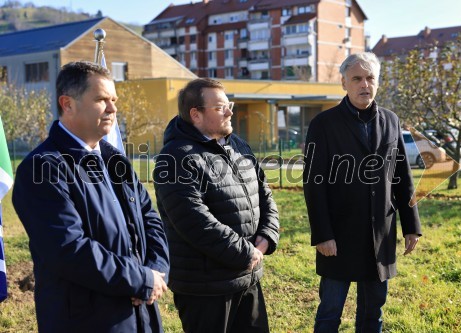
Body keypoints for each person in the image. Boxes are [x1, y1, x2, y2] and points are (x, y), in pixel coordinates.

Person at [12, 61, 170, 333]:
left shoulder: (114, 159)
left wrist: (154, 272)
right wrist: (139, 279)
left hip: (141, 313)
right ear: (68, 104)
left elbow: (150, 218)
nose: (113, 109)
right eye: (101, 100)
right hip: (86, 320)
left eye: (113, 100)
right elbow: (68, 248)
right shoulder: (42, 168)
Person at [303, 52, 422, 333]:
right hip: (338, 235)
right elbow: (313, 183)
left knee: (373, 312)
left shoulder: (392, 121)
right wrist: (322, 234)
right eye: (357, 78)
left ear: (378, 82)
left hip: (380, 234)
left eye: (370, 78)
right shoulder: (324, 124)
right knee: (330, 311)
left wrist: (411, 225)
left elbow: (402, 176)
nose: (364, 84)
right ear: (344, 82)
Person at [153, 78, 279, 333]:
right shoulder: (176, 157)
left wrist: (268, 233)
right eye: (221, 107)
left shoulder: (237, 145)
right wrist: (246, 252)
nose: (230, 111)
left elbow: (263, 192)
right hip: (206, 288)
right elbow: (194, 221)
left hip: (248, 277)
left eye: (228, 104)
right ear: (196, 114)